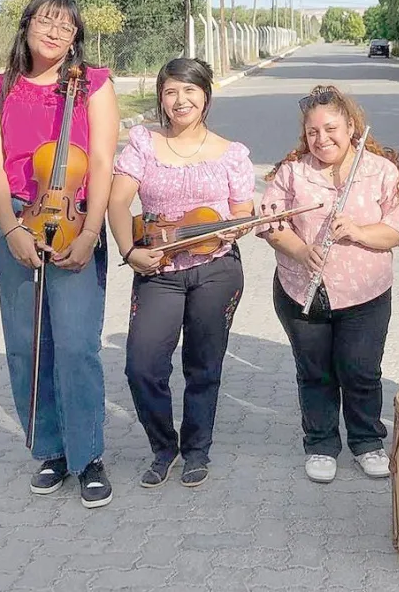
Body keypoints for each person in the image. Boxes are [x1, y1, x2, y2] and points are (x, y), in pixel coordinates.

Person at [0, 0, 119, 508]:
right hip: (16, 215)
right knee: (27, 345)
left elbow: (101, 160)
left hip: (76, 215)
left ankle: (89, 456)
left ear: (76, 37)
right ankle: (52, 451)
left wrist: (89, 232)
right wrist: (11, 229)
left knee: (78, 343)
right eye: (47, 21)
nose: (56, 32)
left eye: (67, 26)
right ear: (27, 25)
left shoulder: (92, 85)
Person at [107, 57, 255, 489]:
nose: (180, 99)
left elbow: (243, 212)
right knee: (142, 366)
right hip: (159, 268)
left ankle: (196, 450)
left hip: (216, 269)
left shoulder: (232, 154)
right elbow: (118, 204)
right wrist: (129, 250)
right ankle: (162, 446)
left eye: (189, 90)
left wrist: (243, 223)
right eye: (171, 91)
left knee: (202, 365)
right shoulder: (143, 145)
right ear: (161, 99)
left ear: (205, 96)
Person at [258, 85, 399, 483]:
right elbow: (271, 224)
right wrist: (301, 250)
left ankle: (366, 441)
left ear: (351, 127)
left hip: (365, 293)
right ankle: (321, 442)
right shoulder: (292, 172)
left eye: (331, 129)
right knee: (314, 372)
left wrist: (360, 231)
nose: (322, 139)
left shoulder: (381, 170)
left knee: (361, 370)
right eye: (313, 132)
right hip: (301, 290)